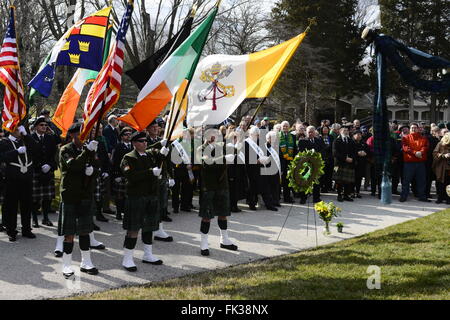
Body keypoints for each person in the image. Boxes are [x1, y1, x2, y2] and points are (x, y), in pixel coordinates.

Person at [58, 123, 100, 278]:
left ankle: (86, 262)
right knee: (69, 233)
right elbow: (73, 165)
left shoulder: (88, 150)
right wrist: (87, 153)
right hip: (70, 194)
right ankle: (66, 264)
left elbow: (97, 166)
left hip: (85, 195)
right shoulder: (65, 150)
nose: (84, 137)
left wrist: (93, 171)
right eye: (81, 134)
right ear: (72, 135)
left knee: (84, 231)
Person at [120, 131, 165, 272]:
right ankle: (127, 258)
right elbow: (130, 176)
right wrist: (150, 172)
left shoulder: (150, 155)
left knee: (149, 227)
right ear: (134, 143)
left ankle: (148, 254)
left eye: (145, 141)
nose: (144, 143)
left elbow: (156, 150)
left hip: (151, 196)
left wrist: (164, 147)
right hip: (136, 196)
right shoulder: (128, 158)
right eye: (141, 141)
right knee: (133, 229)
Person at [197, 128, 238, 256]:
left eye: (216, 135)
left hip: (222, 185)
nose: (215, 137)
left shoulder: (221, 146)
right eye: (212, 135)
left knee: (223, 213)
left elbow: (234, 151)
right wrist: (224, 158)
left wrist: (237, 143)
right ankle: (204, 243)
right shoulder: (201, 149)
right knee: (207, 216)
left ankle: (224, 239)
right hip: (209, 186)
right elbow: (207, 163)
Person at [0, 125, 37, 242]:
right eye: (17, 129)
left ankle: (26, 229)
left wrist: (26, 135)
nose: (19, 132)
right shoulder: (4, 142)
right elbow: (2, 157)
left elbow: (37, 148)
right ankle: (11, 230)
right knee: (12, 206)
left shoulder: (25, 140)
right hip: (12, 179)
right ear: (11, 130)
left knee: (27, 204)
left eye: (20, 129)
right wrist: (16, 152)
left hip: (26, 179)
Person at [30, 117, 61, 228]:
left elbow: (54, 152)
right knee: (35, 198)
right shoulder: (31, 138)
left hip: (48, 170)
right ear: (35, 127)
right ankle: (34, 219)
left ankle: (45, 218)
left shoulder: (50, 138)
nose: (44, 127)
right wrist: (39, 166)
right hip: (35, 170)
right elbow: (30, 155)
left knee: (47, 197)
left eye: (45, 125)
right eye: (41, 125)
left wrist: (50, 165)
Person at [244, 127, 277, 211]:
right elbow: (245, 158)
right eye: (256, 135)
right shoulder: (246, 143)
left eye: (258, 135)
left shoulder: (260, 142)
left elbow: (264, 152)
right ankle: (252, 204)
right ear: (251, 134)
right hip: (251, 169)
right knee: (252, 188)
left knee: (265, 187)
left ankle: (269, 204)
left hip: (262, 167)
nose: (257, 137)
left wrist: (266, 159)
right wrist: (256, 161)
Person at [399, 123, 430, 202]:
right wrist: (415, 153)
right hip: (409, 163)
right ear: (410, 129)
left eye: (415, 128)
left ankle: (422, 196)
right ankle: (404, 196)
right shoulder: (405, 138)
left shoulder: (423, 138)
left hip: (420, 163)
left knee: (421, 181)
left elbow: (425, 147)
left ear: (418, 129)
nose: (413, 129)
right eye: (412, 128)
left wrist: (421, 152)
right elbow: (405, 148)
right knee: (406, 181)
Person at [111, 127, 134, 221]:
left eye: (130, 134)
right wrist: (116, 175)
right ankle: (118, 212)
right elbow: (115, 161)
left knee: (129, 195)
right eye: (126, 134)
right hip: (121, 174)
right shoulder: (118, 146)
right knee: (120, 195)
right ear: (122, 136)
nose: (128, 136)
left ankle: (127, 212)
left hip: (131, 174)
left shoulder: (133, 146)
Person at [297, 126, 324, 203]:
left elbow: (322, 151)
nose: (310, 133)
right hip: (306, 164)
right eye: (309, 132)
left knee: (316, 182)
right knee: (305, 181)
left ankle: (316, 198)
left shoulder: (318, 141)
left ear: (315, 132)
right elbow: (300, 153)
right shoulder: (302, 141)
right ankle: (303, 198)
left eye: (312, 132)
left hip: (316, 164)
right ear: (306, 132)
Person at [332, 126, 356, 202]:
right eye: (344, 130)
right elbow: (335, 153)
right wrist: (345, 158)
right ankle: (339, 195)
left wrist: (352, 158)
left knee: (347, 181)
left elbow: (354, 151)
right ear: (340, 131)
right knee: (339, 181)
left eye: (347, 130)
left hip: (349, 163)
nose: (346, 132)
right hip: (338, 164)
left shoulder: (350, 141)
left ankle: (346, 195)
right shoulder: (336, 141)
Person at [279, 121, 297, 203]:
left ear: (289, 127)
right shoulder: (277, 136)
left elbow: (295, 149)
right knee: (280, 180)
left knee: (288, 180)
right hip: (281, 161)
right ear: (281, 127)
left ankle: (287, 197)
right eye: (284, 126)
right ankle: (278, 197)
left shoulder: (292, 136)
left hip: (290, 161)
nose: (285, 128)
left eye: (286, 126)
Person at [432, 132, 450, 204]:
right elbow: (434, 154)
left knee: (448, 184)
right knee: (440, 183)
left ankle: (448, 199)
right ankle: (440, 198)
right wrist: (443, 155)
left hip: (449, 169)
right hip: (441, 167)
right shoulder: (440, 144)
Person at [352, 130, 369, 198]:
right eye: (357, 134)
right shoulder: (351, 142)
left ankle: (358, 192)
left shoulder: (363, 143)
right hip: (354, 163)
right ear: (354, 135)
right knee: (353, 178)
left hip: (361, 163)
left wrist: (365, 153)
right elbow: (350, 151)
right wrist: (357, 153)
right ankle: (352, 191)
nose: (359, 136)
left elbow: (367, 150)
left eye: (360, 134)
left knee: (359, 178)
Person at [318, 126, 334, 192]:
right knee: (323, 174)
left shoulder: (331, 137)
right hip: (323, 157)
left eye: (326, 129)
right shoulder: (319, 137)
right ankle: (323, 187)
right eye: (324, 129)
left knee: (329, 173)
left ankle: (329, 186)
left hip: (330, 157)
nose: (325, 130)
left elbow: (333, 146)